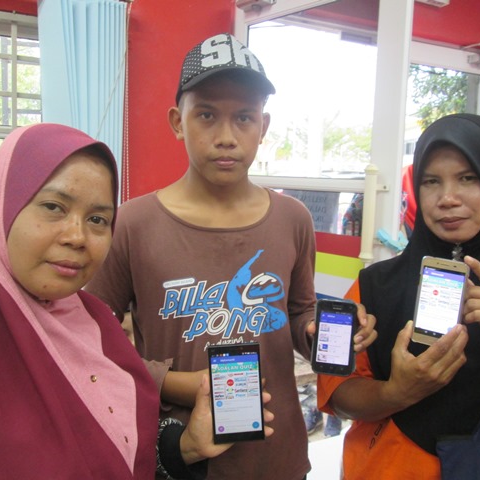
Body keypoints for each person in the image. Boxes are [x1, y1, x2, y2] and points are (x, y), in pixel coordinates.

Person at [85, 33, 376, 479]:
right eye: (206, 115)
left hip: (277, 458)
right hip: (179, 455)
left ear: (264, 126)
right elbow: (90, 345)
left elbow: (298, 312)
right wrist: (180, 384)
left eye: (244, 117)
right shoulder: (133, 224)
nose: (226, 137)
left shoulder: (292, 219)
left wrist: (320, 333)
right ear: (177, 122)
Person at [0, 123, 271, 479]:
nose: (77, 236)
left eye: (97, 219)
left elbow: (114, 451)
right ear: (0, 206)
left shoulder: (98, 328)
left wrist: (186, 446)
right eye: (53, 207)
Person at [317, 114, 480, 479]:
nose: (447, 199)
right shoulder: (375, 284)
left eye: (468, 178)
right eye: (431, 181)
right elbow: (338, 395)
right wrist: (397, 393)